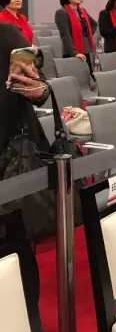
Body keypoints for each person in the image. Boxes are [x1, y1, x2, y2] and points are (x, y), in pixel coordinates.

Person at [0, 23, 51, 308]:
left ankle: (27, 318)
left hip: (8, 157)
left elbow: (40, 86)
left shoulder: (6, 33)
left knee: (14, 247)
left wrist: (37, 88)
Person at [54, 0, 97, 84]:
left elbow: (94, 24)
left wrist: (85, 35)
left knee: (89, 79)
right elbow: (65, 35)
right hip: (72, 52)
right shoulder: (62, 12)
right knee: (76, 82)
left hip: (85, 50)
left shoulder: (82, 11)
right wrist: (74, 53)